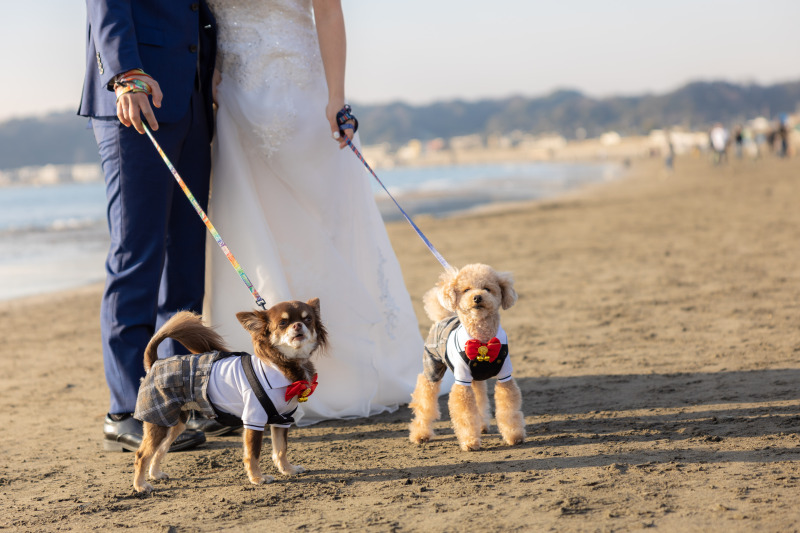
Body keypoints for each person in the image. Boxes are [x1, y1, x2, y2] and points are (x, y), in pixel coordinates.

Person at [204, 0, 425, 424]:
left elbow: (327, 11)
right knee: (252, 225)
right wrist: (210, 71)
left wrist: (336, 97)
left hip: (304, 96)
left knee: (328, 225)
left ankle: (351, 368)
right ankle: (261, 380)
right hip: (235, 100)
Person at [78, 0, 230, 451]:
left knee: (184, 262)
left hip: (190, 98)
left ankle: (178, 396)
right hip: (134, 97)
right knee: (136, 257)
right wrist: (126, 74)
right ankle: (127, 409)